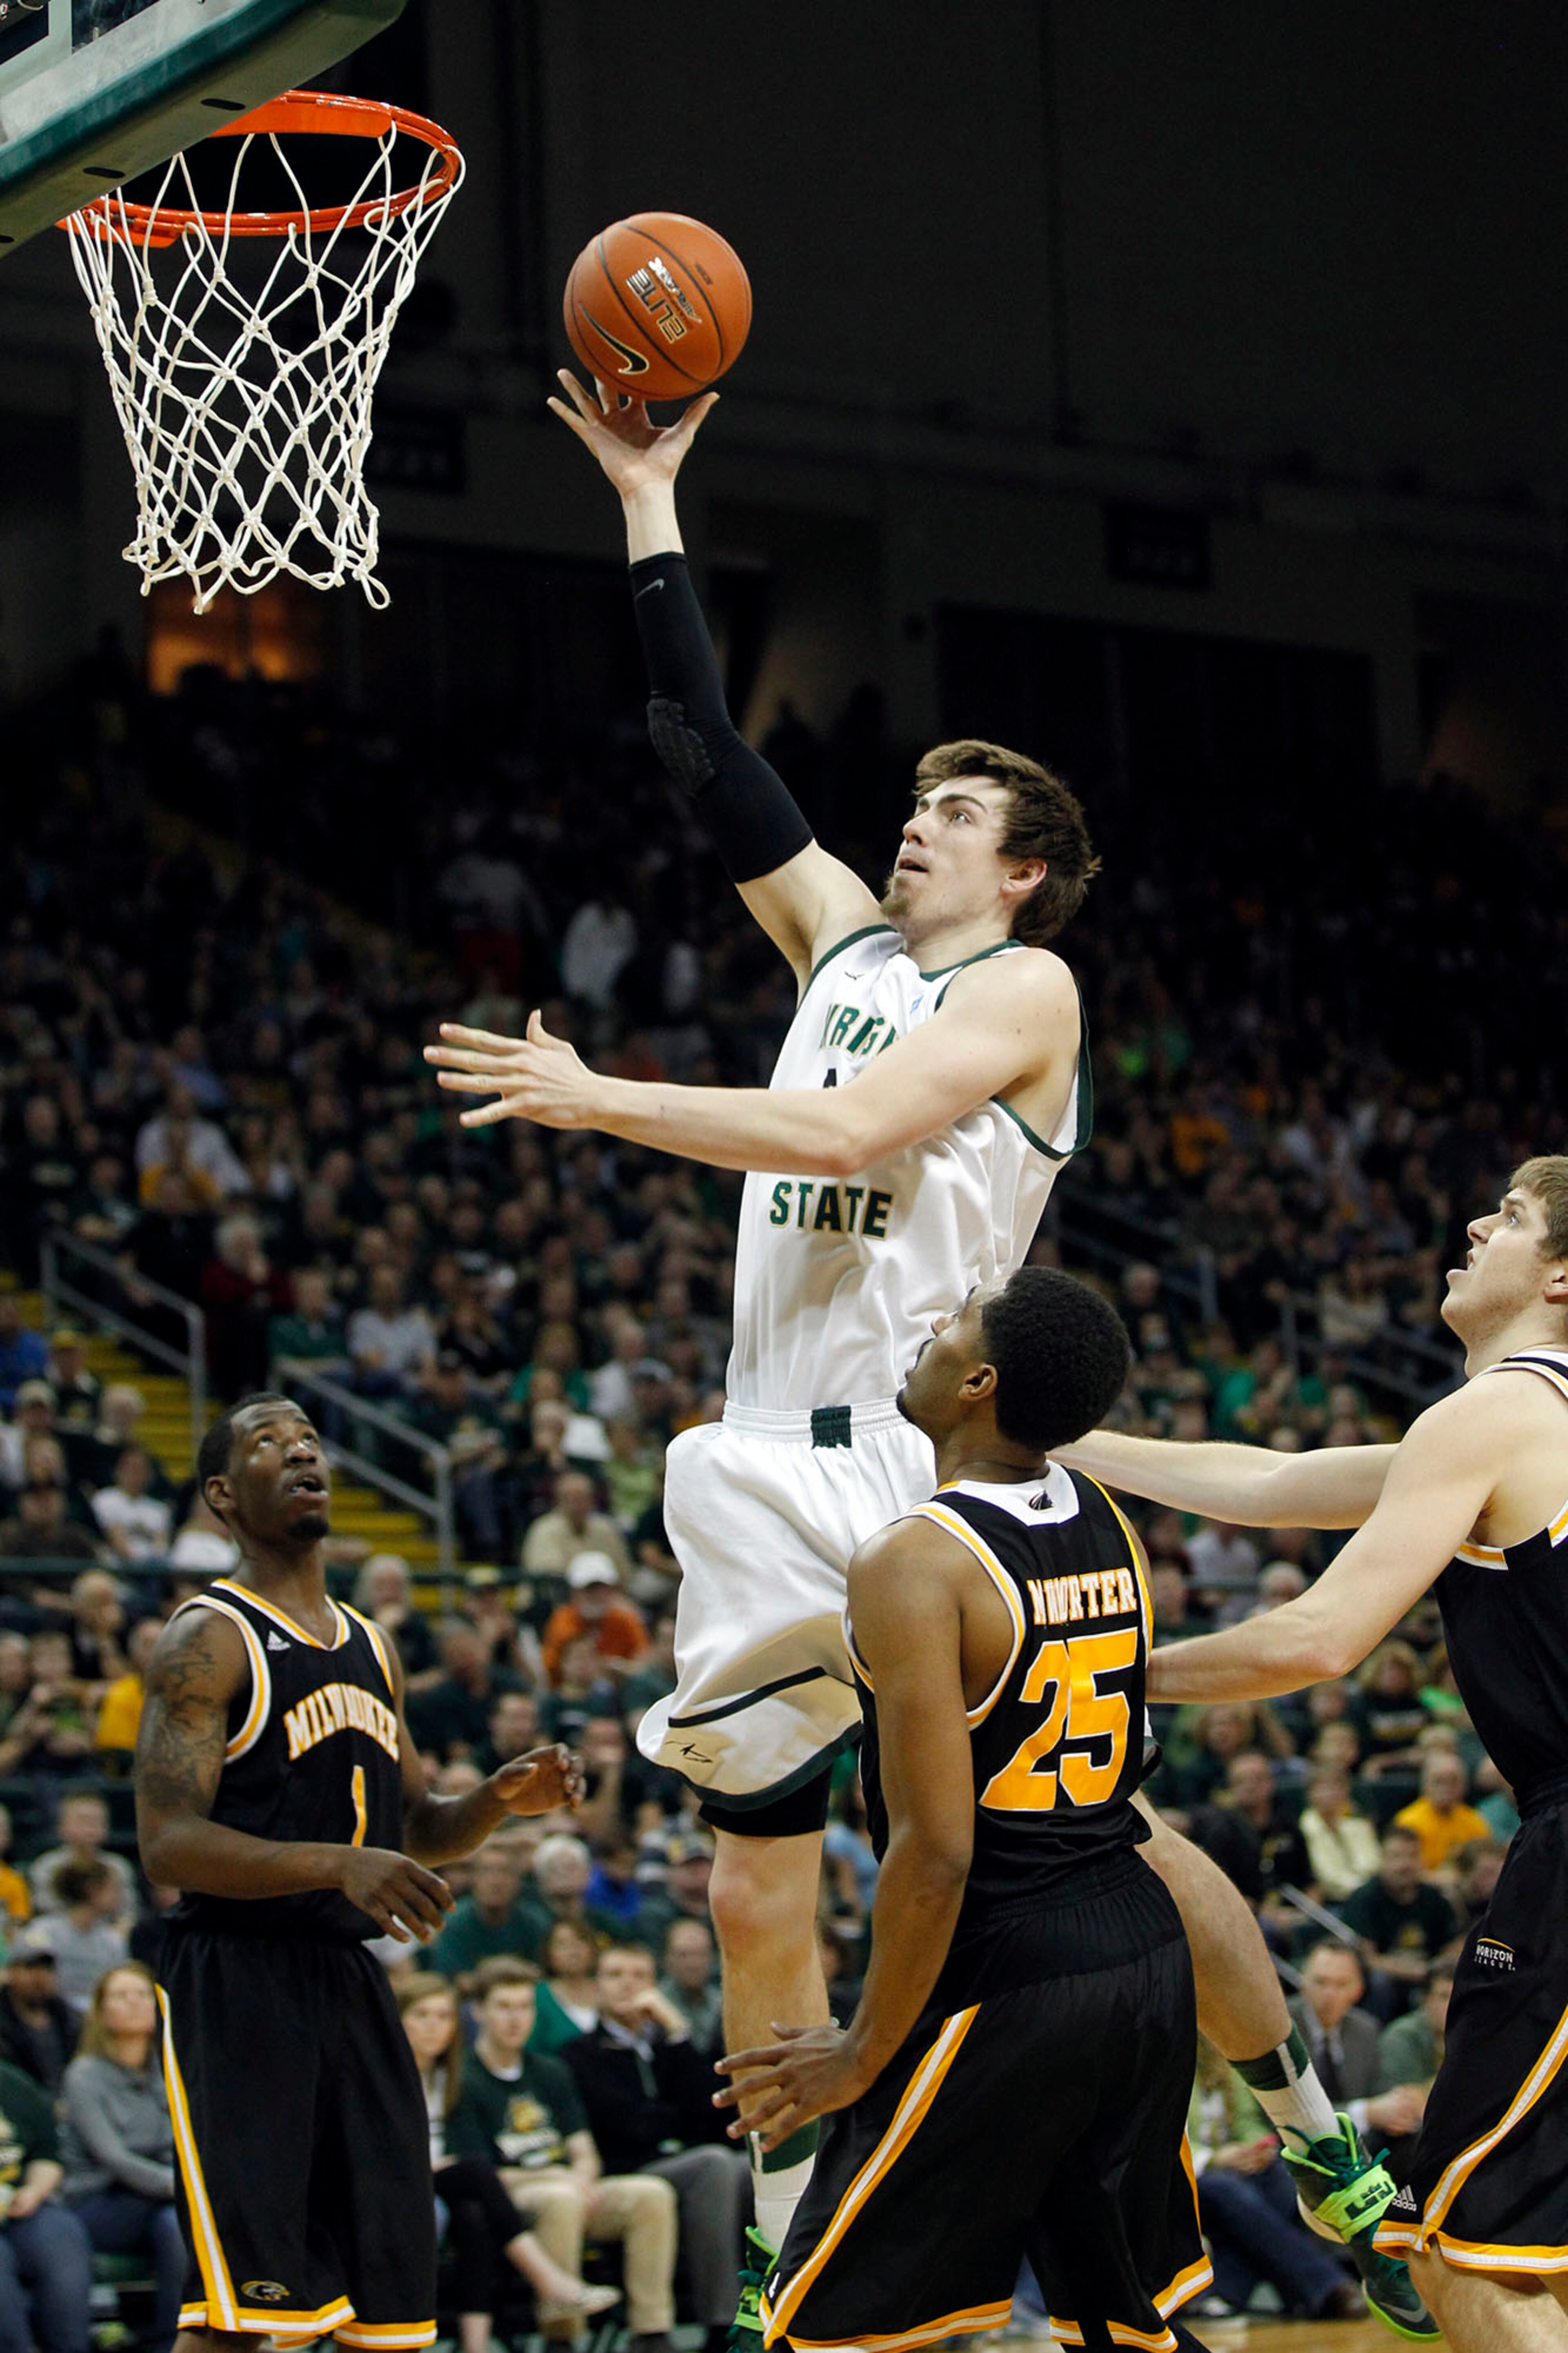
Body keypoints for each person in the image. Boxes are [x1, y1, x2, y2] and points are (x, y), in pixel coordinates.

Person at [424, 372, 1393, 2328]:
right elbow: (704, 752)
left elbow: (846, 1134)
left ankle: (1299, 2111)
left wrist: (594, 1092)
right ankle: (795, 2198)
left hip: (916, 1466)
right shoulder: (847, 946)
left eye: (952, 813)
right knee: (746, 1870)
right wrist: (648, 503)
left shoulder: (1026, 985)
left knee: (1084, 1839)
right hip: (756, 1453)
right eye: (919, 806)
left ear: (1023, 861)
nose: (912, 824)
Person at [1057, 1157, 1568, 2351]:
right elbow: (1271, 1483)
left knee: (1462, 2263)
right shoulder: (1521, 1422)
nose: (1470, 1222)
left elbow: (1318, 1639)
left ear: (1559, 1278)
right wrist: (1064, 1439)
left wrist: (1109, 1672)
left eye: (1506, 1217)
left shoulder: (1491, 1415)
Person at [717, 1267, 1212, 2352]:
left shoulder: (913, 1562)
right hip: (1139, 1951)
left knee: (821, 2327)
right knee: (1123, 2328)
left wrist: (862, 2050)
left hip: (1006, 1968)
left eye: (955, 1325)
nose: (931, 1332)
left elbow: (937, 1848)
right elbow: (1131, 1747)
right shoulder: (1110, 1521)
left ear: (978, 1382)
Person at [132, 1389, 581, 2353]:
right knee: (240, 2317)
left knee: (390, 2316)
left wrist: (498, 1803)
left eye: (308, 1439)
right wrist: (341, 1865)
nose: (300, 1453)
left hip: (347, 1983)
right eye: (268, 1444)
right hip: (238, 1980)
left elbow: (413, 1829)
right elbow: (168, 1844)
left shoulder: (372, 1646)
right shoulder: (208, 1638)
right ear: (221, 1493)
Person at [458, 1961, 680, 2353]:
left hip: (572, 2190)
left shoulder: (551, 2070)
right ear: (479, 2011)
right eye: (504, 2006)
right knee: (559, 2201)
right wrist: (562, 2181)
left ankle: (651, 2333)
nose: (516, 2018)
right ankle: (562, 2336)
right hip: (515, 2203)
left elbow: (584, 2151)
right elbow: (482, 2174)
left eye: (524, 2006)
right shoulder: (467, 2078)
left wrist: (581, 2178)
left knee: (651, 2193)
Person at [396, 1974, 619, 2353]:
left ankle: (476, 2346)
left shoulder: (449, 2076)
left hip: (443, 2186)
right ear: (398, 2018)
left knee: (475, 2216)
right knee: (477, 2171)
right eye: (422, 2015)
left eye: (444, 2016)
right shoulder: (386, 2073)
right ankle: (550, 2281)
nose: (435, 2026)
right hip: (395, 2181)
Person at [566, 1946, 751, 2350]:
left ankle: (777, 2306)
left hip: (687, 2164)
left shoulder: (672, 2046)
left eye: (639, 1975)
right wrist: (678, 2120)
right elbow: (626, 2124)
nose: (628, 1983)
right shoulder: (580, 2053)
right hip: (628, 2171)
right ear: (597, 1987)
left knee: (746, 2167)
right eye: (616, 1974)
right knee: (716, 2163)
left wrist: (678, 2031)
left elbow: (717, 2111)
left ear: (655, 1987)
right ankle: (722, 2324)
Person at [1187, 2039, 1361, 2323]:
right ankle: (1327, 2286)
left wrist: (1255, 2149)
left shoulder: (1226, 2058)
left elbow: (1246, 2120)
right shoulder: (1169, 2059)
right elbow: (1165, 2135)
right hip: (1190, 2173)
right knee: (1228, 2189)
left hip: (1235, 2169)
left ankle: (1223, 2294)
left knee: (1281, 2177)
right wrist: (1216, 2157)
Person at [59, 1963, 183, 2353]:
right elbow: (113, 2158)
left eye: (143, 1994)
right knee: (181, 2215)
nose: (134, 2003)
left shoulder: (169, 2066)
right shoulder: (84, 2075)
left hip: (160, 2200)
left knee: (174, 2226)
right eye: (121, 1995)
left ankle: (173, 2341)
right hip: (98, 2200)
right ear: (101, 2011)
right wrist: (178, 2186)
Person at [0, 2047, 94, 2353]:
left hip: (19, 2204)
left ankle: (72, 2347)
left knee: (62, 2235)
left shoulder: (14, 2084)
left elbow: (47, 2155)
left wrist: (34, 2191)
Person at [1336, 1824, 1459, 2012]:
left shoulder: (1435, 1898)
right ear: (1382, 1859)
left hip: (1429, 1975)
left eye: (1413, 1856)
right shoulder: (1364, 1899)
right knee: (1380, 1982)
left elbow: (1453, 1947)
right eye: (1396, 1857)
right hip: (1387, 1980)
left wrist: (1438, 1970)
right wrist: (1420, 1972)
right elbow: (1369, 1960)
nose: (1405, 1865)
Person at [1394, 1748, 1492, 1872]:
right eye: (1439, 1781)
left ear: (1464, 1786)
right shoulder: (1407, 1823)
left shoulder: (1475, 1822)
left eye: (1453, 1781)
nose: (1446, 1788)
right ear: (1425, 1785)